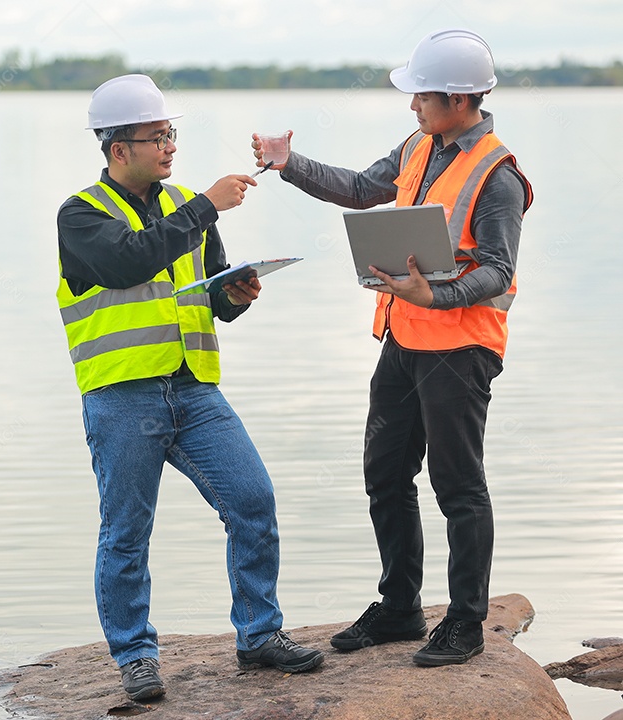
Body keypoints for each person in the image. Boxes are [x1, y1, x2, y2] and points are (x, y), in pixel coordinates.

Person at [252, 29, 533, 666]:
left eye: (422, 96)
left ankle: (465, 620)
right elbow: (358, 188)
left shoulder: (500, 177)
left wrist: (433, 296)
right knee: (384, 473)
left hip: (460, 350)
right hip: (405, 339)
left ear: (460, 99)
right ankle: (402, 606)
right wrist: (286, 163)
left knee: (457, 485)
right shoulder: (419, 145)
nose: (412, 106)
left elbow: (496, 269)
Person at [57, 74, 324, 702]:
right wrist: (205, 205)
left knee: (252, 500)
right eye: (156, 137)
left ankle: (259, 635)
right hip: (122, 394)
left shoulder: (183, 203)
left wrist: (235, 295)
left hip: (194, 388)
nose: (169, 145)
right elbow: (129, 263)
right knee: (126, 530)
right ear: (118, 149)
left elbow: (208, 296)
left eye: (171, 133)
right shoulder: (81, 214)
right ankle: (135, 657)